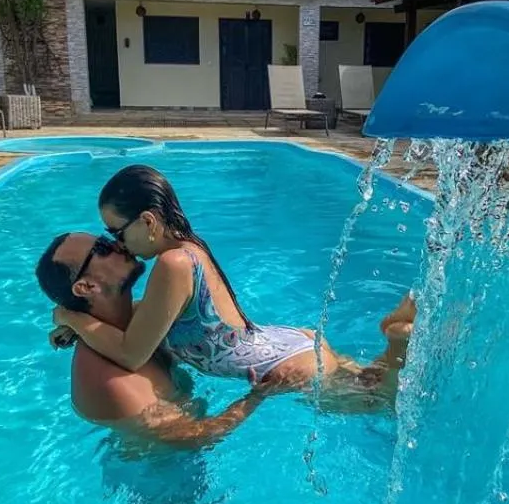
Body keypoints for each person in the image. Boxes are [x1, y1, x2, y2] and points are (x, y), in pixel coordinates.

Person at [46, 164, 415, 402]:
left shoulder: (173, 264)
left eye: (116, 232)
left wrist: (72, 317)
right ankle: (394, 339)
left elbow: (130, 353)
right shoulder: (189, 248)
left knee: (380, 402)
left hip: (280, 363)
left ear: (147, 221)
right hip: (285, 341)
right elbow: (154, 316)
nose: (118, 244)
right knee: (372, 380)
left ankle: (397, 338)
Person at [36, 232, 272, 450]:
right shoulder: (111, 382)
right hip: (163, 484)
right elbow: (194, 437)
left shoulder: (133, 325)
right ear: (87, 287)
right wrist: (257, 396)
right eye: (103, 248)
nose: (118, 243)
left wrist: (74, 320)